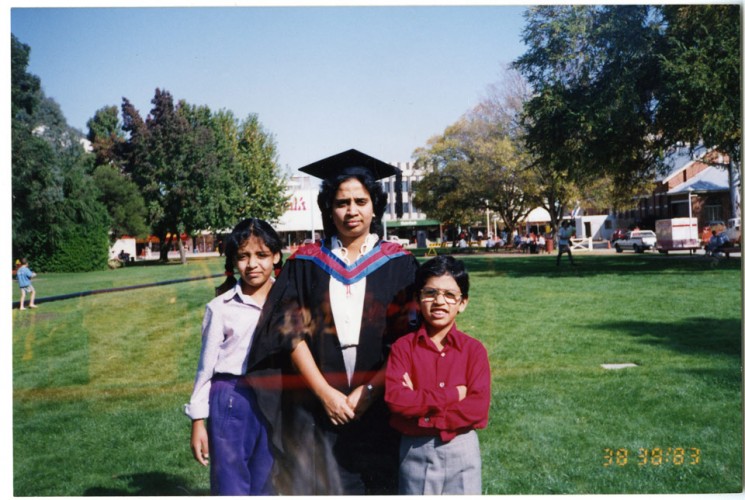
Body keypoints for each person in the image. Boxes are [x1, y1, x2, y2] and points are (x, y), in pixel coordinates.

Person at [247, 149, 420, 495]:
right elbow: (288, 332)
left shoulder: (400, 265)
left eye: (360, 200)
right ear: (329, 208)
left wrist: (368, 393)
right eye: (342, 202)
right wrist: (326, 394)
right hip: (317, 408)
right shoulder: (307, 263)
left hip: (381, 405)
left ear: (375, 206)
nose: (351, 211)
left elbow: (409, 341)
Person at [184, 218, 283, 495]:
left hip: (274, 398)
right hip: (232, 399)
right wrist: (197, 421)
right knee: (231, 483)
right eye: (243, 256)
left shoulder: (287, 299)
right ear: (233, 261)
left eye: (261, 255)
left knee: (268, 480)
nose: (252, 264)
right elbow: (205, 369)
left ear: (275, 256)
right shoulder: (221, 308)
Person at [385, 256, 490, 495]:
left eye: (450, 295)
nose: (439, 301)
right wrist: (453, 394)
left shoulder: (474, 350)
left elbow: (478, 408)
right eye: (430, 292)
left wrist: (422, 411)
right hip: (416, 449)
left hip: (462, 448)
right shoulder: (403, 348)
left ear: (462, 303)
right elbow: (396, 400)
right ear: (417, 299)